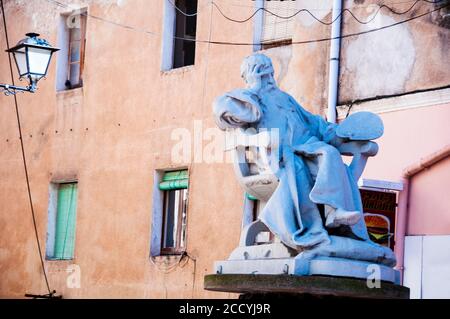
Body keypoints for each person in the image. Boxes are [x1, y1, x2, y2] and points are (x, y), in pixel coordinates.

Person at [214, 53, 371, 250]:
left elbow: (312, 122)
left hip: (306, 147)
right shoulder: (243, 98)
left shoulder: (284, 98)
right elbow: (224, 114)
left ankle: (334, 214)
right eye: (262, 74)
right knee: (323, 156)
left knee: (329, 153)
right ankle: (329, 214)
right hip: (278, 157)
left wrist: (342, 133)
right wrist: (254, 89)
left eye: (269, 73)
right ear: (249, 76)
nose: (268, 78)